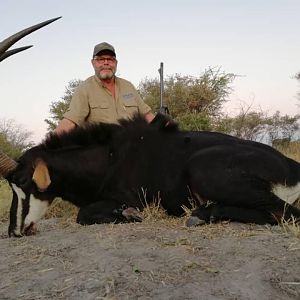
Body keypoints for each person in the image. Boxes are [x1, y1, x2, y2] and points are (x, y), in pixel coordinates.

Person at [55, 42, 155, 134]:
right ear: (93, 63)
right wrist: (46, 148)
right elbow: (70, 121)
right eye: (101, 59)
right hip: (102, 151)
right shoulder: (84, 89)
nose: (106, 63)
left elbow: (147, 115)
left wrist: (167, 130)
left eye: (110, 59)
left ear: (115, 63)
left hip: (132, 149)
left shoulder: (128, 86)